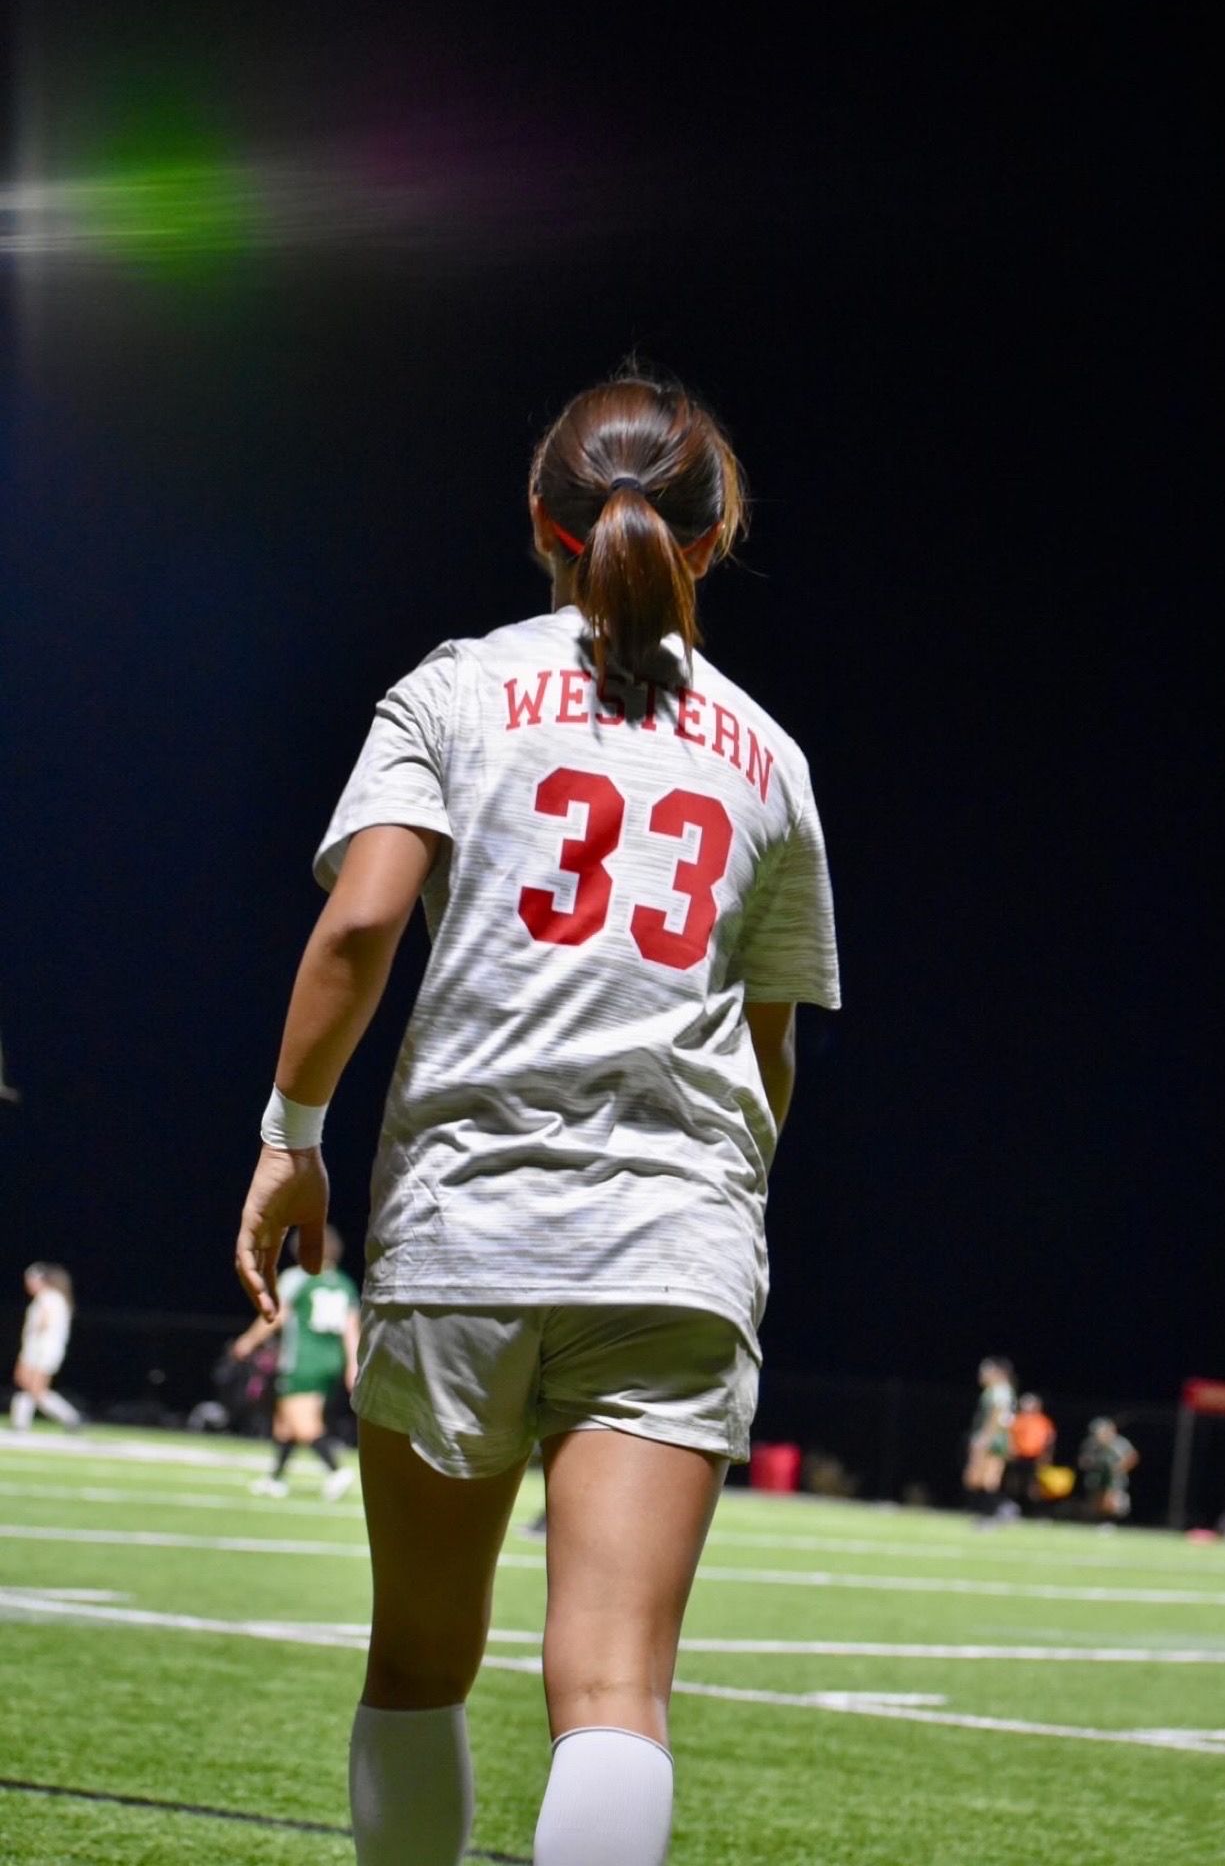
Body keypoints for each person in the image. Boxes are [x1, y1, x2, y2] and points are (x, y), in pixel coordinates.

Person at [234, 370, 840, 1866]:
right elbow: (767, 1058)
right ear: (715, 537)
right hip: (673, 1246)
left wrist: (289, 1132)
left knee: (420, 1666)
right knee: (615, 1696)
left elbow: (362, 929)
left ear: (539, 523)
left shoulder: (453, 688)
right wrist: (709, 1219)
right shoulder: (776, 759)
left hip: (471, 1227)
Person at [233, 1224, 359, 1498]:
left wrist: (247, 1341)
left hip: (302, 1360)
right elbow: (352, 1330)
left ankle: (336, 1471)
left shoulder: (299, 1278)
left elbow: (276, 1315)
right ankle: (275, 1479)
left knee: (304, 1424)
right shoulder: (345, 1284)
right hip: (330, 1361)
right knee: (285, 1422)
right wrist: (353, 1365)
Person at [10, 1263, 79, 1429]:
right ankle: (21, 1422)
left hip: (44, 1348)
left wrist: (35, 1347)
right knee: (27, 1383)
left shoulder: (50, 1298)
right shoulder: (45, 1297)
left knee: (36, 1387)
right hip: (35, 1347)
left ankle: (71, 1417)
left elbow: (46, 1324)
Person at [963, 1355, 1016, 1522]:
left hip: (993, 1438)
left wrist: (985, 1438)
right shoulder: (995, 1390)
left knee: (987, 1478)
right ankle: (995, 1510)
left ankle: (997, 1510)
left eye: (987, 1370)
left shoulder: (1000, 1389)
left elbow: (997, 1414)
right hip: (992, 1436)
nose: (982, 1374)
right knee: (976, 1479)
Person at [1003, 1392, 1057, 1512]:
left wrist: (1046, 1456)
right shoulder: (1017, 1419)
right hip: (1018, 1456)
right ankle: (1013, 1507)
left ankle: (1034, 1511)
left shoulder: (1043, 1421)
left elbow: (1049, 1441)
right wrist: (1009, 1449)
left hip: (1035, 1457)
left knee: (1033, 1486)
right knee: (1014, 1483)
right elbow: (1009, 1436)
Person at [1078, 1416, 1140, 1521]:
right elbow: (1084, 1460)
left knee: (1110, 1500)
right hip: (1097, 1474)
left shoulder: (1120, 1443)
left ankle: (1113, 1518)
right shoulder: (1091, 1443)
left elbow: (1132, 1457)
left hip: (1114, 1476)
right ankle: (1096, 1521)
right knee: (1096, 1500)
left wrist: (1119, 1468)